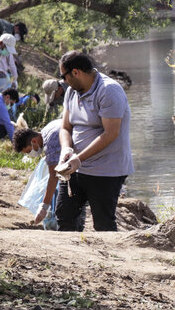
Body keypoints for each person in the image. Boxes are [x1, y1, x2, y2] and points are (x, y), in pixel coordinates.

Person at [55, 50, 133, 231]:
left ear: (76, 72)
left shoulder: (109, 90)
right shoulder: (71, 93)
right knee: (64, 216)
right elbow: (65, 127)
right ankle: (71, 258)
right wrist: (66, 149)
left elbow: (110, 133)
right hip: (74, 167)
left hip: (106, 170)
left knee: (103, 223)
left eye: (63, 76)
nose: (63, 82)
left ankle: (111, 259)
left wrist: (79, 158)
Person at [13, 118, 63, 225]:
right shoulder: (47, 129)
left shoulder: (51, 143)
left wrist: (44, 207)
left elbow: (54, 176)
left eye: (28, 151)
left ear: (34, 141)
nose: (30, 154)